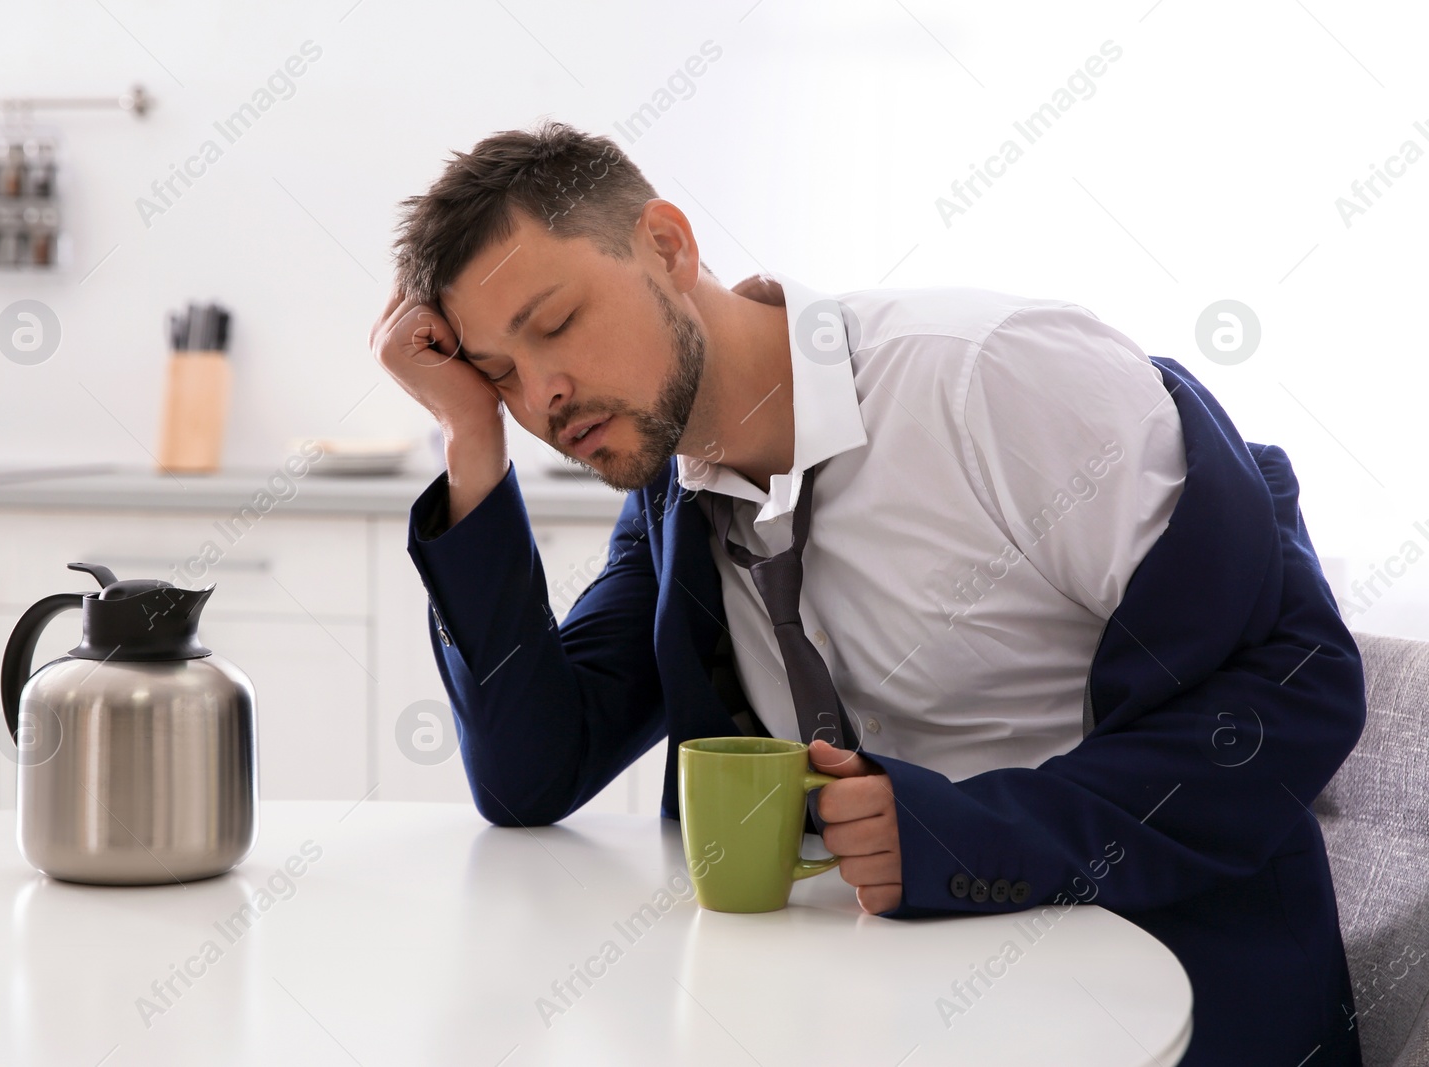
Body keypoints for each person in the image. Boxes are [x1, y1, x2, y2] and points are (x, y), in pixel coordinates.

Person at [373, 120, 1365, 1065]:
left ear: (667, 245)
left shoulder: (993, 380)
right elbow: (530, 772)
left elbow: (1300, 686)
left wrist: (976, 835)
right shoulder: (683, 492)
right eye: (501, 372)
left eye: (556, 322)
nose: (542, 391)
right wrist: (469, 442)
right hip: (883, 1007)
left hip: (1159, 996)